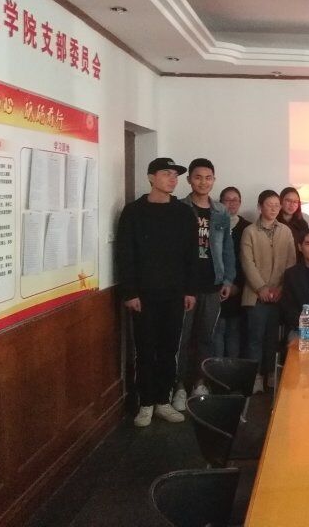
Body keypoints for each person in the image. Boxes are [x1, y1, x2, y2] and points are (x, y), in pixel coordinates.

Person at [116, 157, 197, 427]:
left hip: (174, 294)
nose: (172, 179)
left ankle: (163, 400)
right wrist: (130, 292)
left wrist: (190, 290)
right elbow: (125, 254)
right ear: (151, 177)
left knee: (169, 348)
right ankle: (146, 403)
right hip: (144, 295)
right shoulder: (133, 212)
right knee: (145, 349)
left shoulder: (183, 213)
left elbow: (191, 255)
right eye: (166, 173)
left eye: (175, 175)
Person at [176, 158, 235, 405]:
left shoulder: (221, 211)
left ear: (214, 180)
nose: (203, 182)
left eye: (208, 178)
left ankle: (200, 383)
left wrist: (228, 279)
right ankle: (179, 386)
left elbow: (227, 248)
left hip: (212, 283)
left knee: (206, 338)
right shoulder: (179, 208)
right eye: (198, 177)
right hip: (186, 286)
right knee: (182, 338)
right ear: (189, 179)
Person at [241, 190, 297, 392]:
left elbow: (291, 261)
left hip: (279, 295)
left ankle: (271, 373)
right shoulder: (249, 231)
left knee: (273, 338)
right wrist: (261, 287)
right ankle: (255, 377)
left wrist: (280, 288)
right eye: (269, 204)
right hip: (256, 295)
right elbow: (247, 262)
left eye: (276, 205)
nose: (274, 209)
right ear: (260, 206)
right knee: (255, 338)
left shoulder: (285, 231)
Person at [213, 186, 251, 360]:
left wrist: (237, 284)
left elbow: (248, 260)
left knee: (234, 331)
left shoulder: (247, 227)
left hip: (239, 287)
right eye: (227, 200)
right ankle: (217, 371)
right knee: (217, 330)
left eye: (235, 200)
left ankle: (232, 372)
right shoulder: (214, 223)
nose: (232, 203)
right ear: (220, 203)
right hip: (217, 286)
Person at [277, 186, 309, 256]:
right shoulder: (273, 222)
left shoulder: (302, 224)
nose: (292, 205)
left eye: (295, 202)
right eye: (288, 201)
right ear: (281, 201)